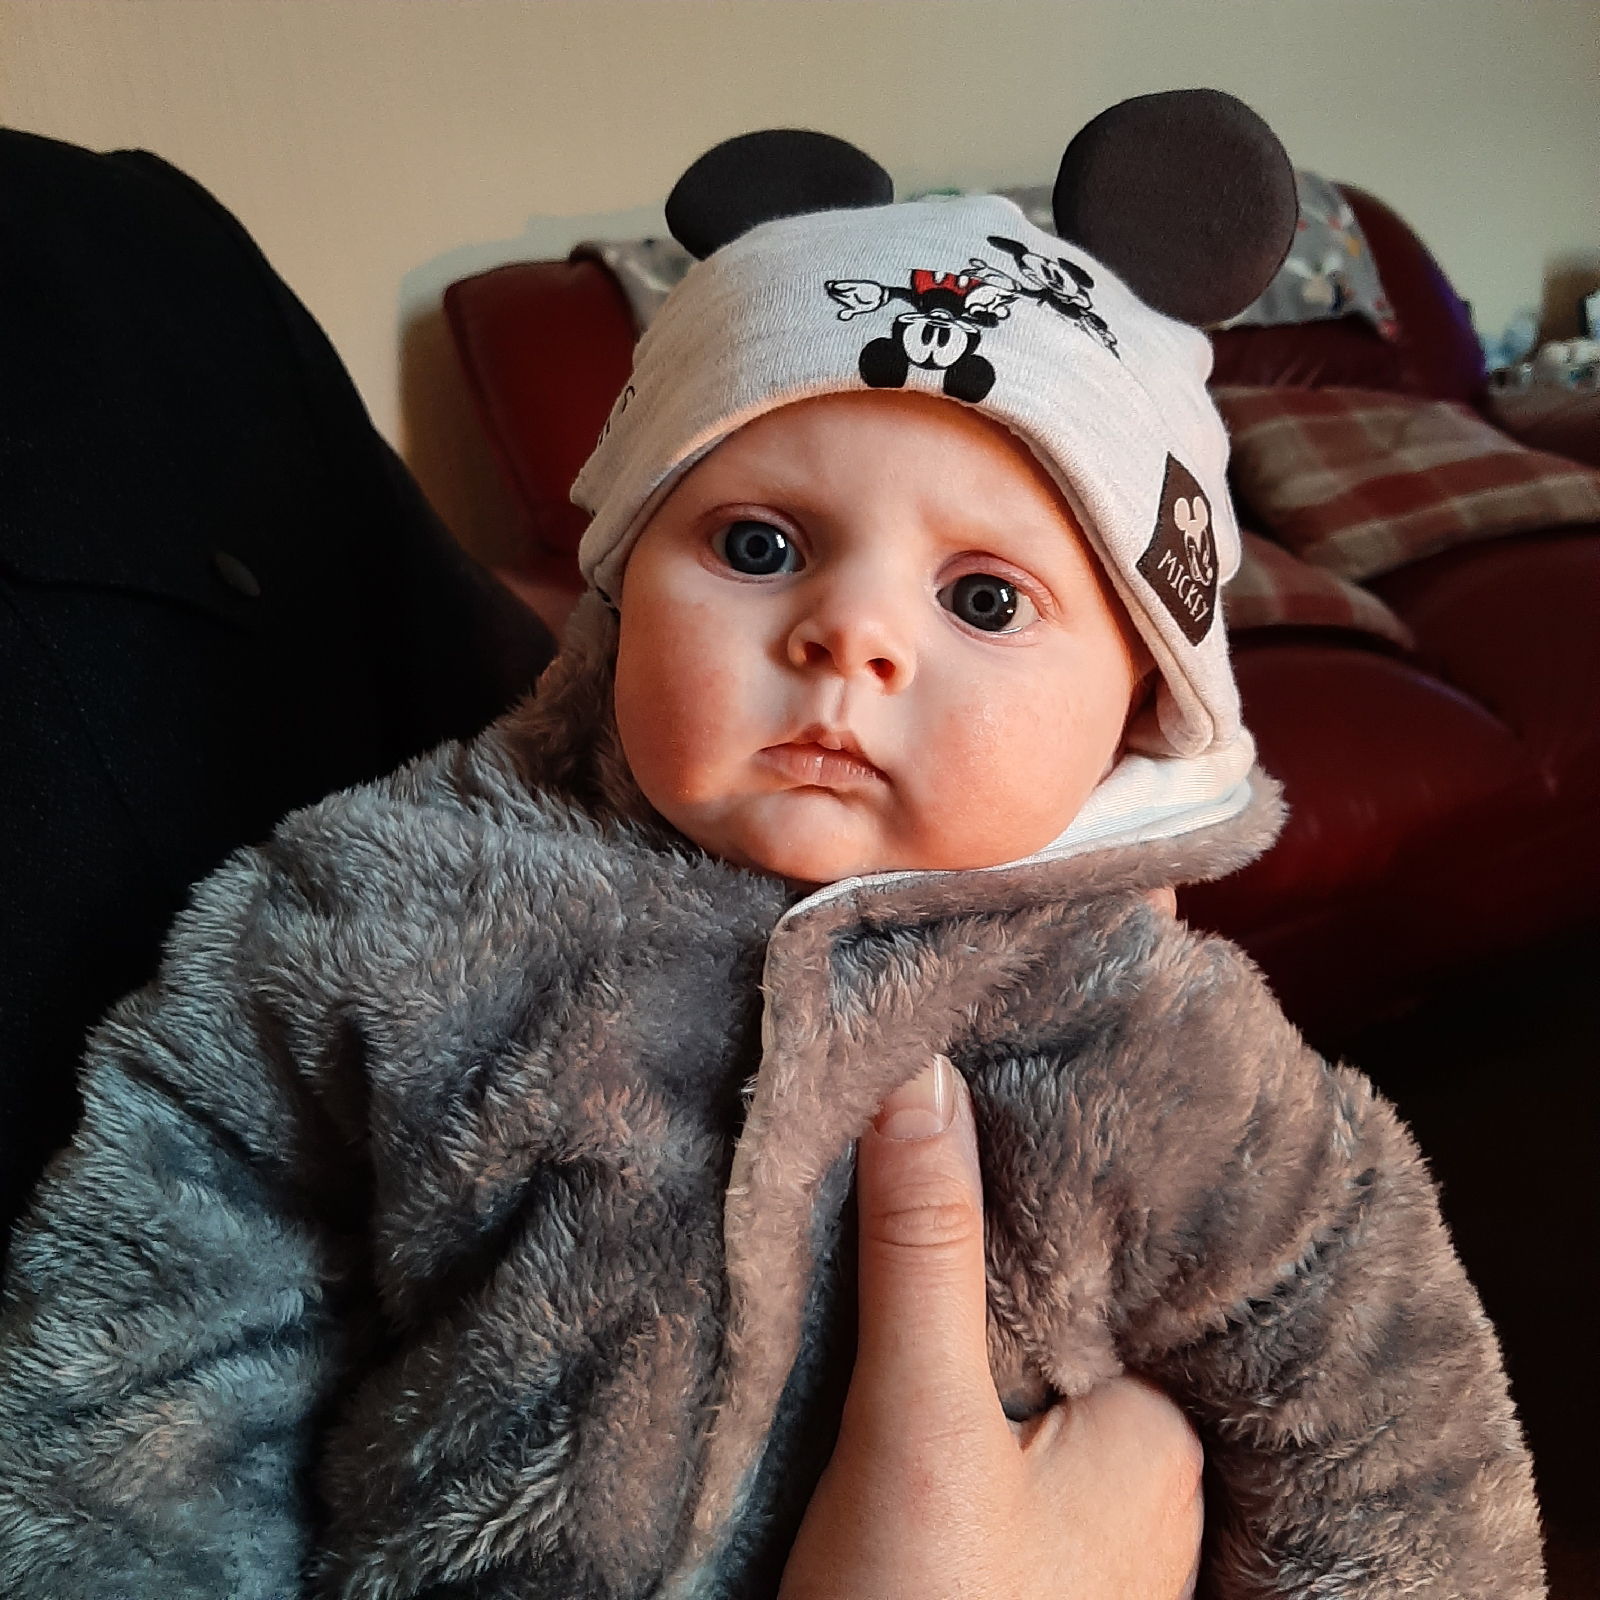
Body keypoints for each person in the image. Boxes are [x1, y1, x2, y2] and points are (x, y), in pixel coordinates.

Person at [0, 94, 1543, 1599]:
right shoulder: (391, 903)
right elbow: (158, 1310)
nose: (847, 634)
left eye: (985, 598)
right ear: (623, 589)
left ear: (1138, 702)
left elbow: (1390, 1440)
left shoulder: (1154, 1042)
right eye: (759, 544)